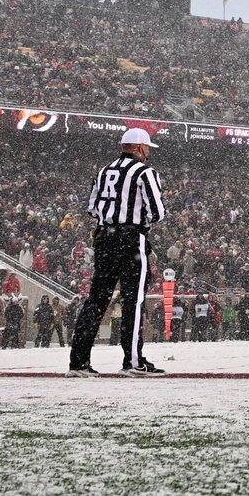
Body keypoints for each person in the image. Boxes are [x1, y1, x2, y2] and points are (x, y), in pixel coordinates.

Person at [67, 128, 167, 377]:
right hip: (130, 239)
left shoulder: (103, 172)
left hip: (104, 238)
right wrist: (137, 225)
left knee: (97, 299)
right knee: (134, 300)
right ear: (141, 148)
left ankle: (78, 362)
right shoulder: (145, 172)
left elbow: (92, 209)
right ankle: (133, 361)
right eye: (146, 150)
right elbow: (157, 211)